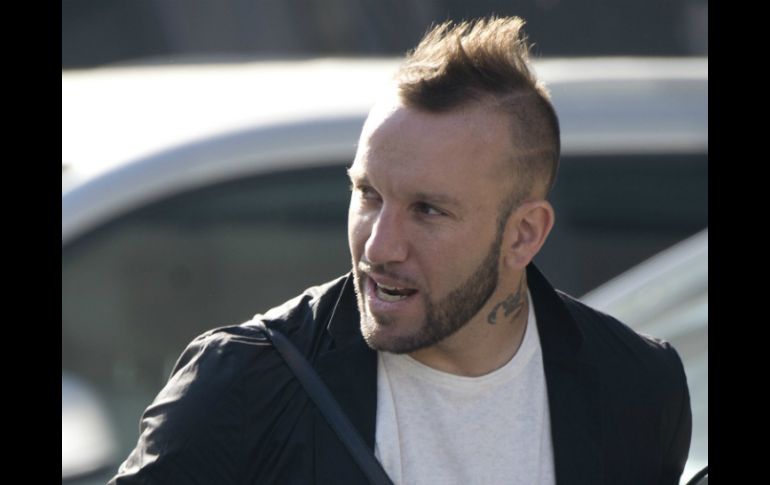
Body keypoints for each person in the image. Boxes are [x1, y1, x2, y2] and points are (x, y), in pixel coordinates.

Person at [110, 16, 691, 485]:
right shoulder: (241, 385)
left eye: (428, 210)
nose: (379, 245)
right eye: (368, 194)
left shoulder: (636, 386)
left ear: (523, 235)